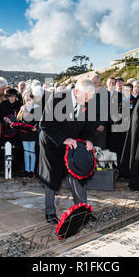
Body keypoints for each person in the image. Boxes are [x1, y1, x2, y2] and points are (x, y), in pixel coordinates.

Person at [38, 79, 97, 224]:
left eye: (90, 97)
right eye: (86, 97)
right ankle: (50, 212)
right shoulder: (58, 99)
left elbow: (88, 126)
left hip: (72, 143)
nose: (88, 101)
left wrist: (88, 140)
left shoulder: (87, 101)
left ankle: (83, 211)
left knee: (78, 174)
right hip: (51, 142)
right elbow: (44, 124)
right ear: (77, 92)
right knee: (52, 177)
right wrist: (64, 139)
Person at [0, 88, 22, 175]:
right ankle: (4, 166)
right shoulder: (3, 104)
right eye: (10, 96)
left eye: (14, 96)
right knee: (4, 147)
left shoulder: (19, 104)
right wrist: (4, 118)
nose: (12, 98)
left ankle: (15, 167)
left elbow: (20, 116)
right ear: (7, 97)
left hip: (15, 130)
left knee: (15, 148)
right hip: (5, 129)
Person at [17, 92, 39, 178]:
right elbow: (19, 119)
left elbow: (38, 121)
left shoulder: (37, 108)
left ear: (33, 100)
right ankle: (26, 170)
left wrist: (36, 127)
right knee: (26, 151)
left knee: (32, 151)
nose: (28, 101)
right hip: (24, 132)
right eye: (26, 99)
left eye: (30, 99)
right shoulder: (22, 108)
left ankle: (32, 170)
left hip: (32, 132)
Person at [90, 74, 109, 150]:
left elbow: (107, 110)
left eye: (95, 82)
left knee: (100, 152)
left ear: (99, 83)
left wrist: (103, 124)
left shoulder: (105, 94)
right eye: (91, 82)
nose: (93, 85)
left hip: (100, 128)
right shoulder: (87, 93)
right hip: (88, 129)